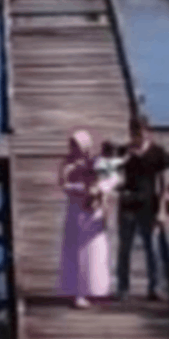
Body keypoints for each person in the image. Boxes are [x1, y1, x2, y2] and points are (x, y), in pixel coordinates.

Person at [116, 113, 169, 301]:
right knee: (125, 248)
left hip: (149, 206)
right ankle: (123, 288)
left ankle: (154, 288)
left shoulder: (158, 152)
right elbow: (112, 176)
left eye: (140, 132)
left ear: (147, 132)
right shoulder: (123, 152)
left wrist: (162, 210)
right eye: (133, 133)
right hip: (127, 205)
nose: (136, 136)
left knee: (152, 249)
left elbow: (163, 183)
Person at [57, 130, 112, 309]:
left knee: (96, 249)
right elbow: (63, 185)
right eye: (73, 145)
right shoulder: (67, 164)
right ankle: (77, 292)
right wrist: (82, 188)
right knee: (78, 251)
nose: (74, 148)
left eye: (78, 145)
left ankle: (96, 289)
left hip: (93, 208)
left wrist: (100, 193)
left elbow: (108, 179)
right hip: (76, 209)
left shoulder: (96, 161)